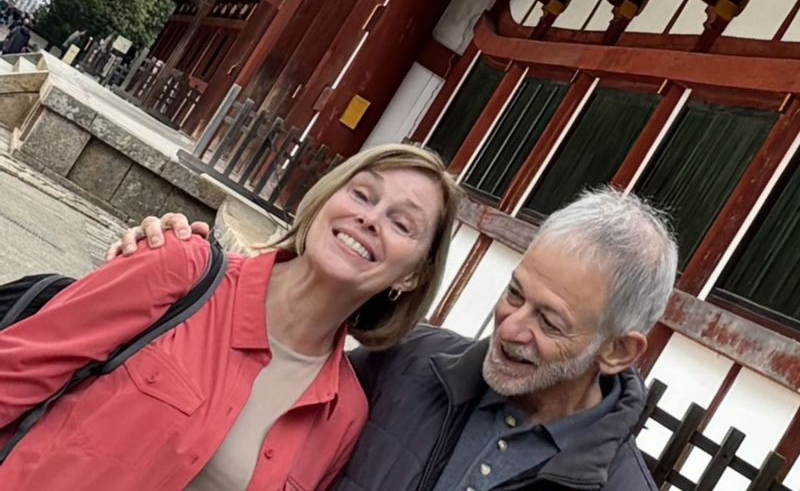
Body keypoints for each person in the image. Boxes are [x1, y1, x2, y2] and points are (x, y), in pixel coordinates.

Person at [113, 187, 678, 490]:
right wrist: (176, 282)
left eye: (549, 322)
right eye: (514, 292)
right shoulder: (409, 364)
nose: (510, 327)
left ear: (618, 350)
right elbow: (258, 374)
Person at [0, 143, 461, 491]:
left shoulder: (343, 415)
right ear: (326, 200)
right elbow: (13, 375)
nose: (370, 218)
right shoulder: (181, 267)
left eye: (402, 224)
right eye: (362, 195)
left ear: (413, 276)